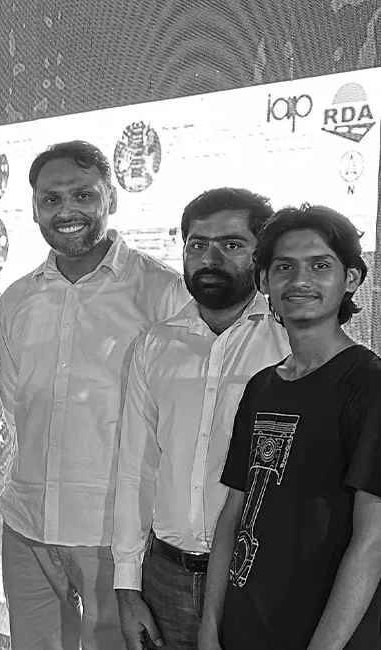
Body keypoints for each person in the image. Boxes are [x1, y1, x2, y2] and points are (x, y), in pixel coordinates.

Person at [0, 140, 189, 650]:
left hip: (116, 536)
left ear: (112, 198)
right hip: (27, 526)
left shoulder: (162, 294)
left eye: (83, 195)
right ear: (35, 206)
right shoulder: (17, 298)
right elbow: (18, 407)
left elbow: (179, 423)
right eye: (51, 199)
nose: (67, 211)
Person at [111, 188, 289, 650]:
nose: (210, 258)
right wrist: (128, 587)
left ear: (261, 255)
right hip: (164, 578)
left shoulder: (290, 344)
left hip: (260, 581)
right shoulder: (156, 345)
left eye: (231, 245)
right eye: (197, 244)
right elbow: (137, 467)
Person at [199, 205, 381, 650]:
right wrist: (210, 625)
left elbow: (373, 539)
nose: (300, 280)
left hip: (325, 633)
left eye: (321, 265)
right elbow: (233, 514)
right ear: (264, 282)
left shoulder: (368, 384)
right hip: (245, 625)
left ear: (351, 280)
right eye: (284, 267)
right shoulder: (264, 385)